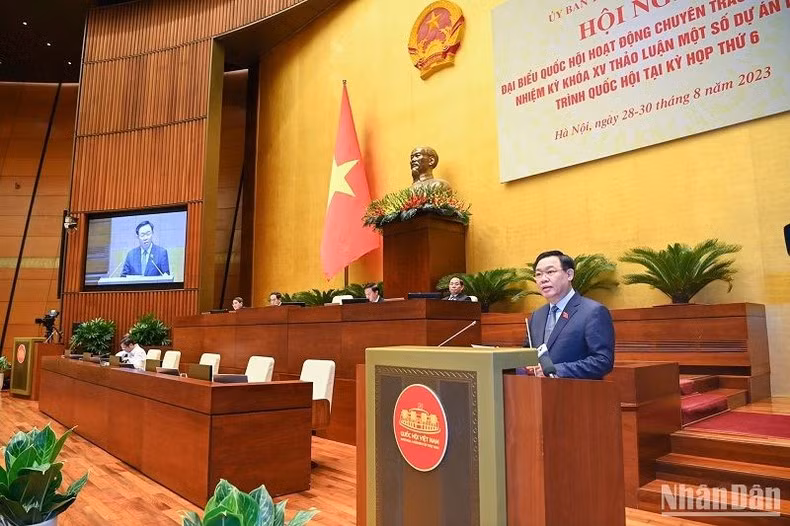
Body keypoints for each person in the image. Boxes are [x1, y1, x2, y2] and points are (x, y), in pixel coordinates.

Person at [523, 250, 614, 379]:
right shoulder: (537, 315)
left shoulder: (593, 312)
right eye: (538, 274)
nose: (543, 279)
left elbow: (603, 361)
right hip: (538, 393)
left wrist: (556, 371)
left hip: (576, 394)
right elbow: (528, 352)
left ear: (569, 274)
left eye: (550, 272)